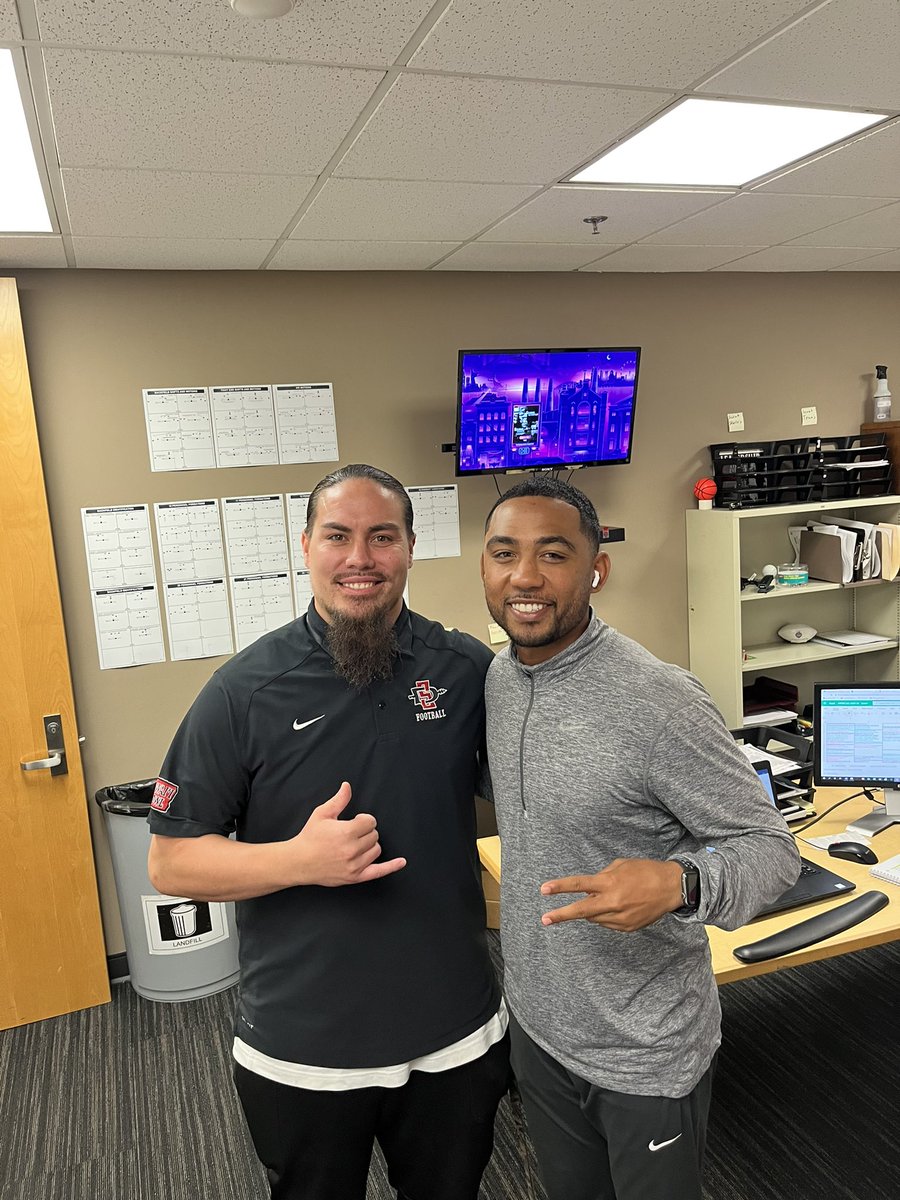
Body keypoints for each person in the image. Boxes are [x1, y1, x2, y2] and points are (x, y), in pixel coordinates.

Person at [148, 464, 509, 1200]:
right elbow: (172, 863)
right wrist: (297, 860)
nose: (360, 558)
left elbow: (536, 787)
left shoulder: (465, 667)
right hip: (305, 1046)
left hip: (454, 1032)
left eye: (383, 537)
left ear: (410, 549)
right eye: (338, 536)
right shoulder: (243, 691)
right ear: (305, 546)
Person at [479, 475, 800, 1200]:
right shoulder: (497, 680)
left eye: (552, 555)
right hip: (538, 1026)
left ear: (597, 569)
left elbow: (771, 849)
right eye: (504, 554)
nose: (524, 577)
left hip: (646, 1051)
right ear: (486, 568)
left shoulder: (658, 699)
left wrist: (683, 882)